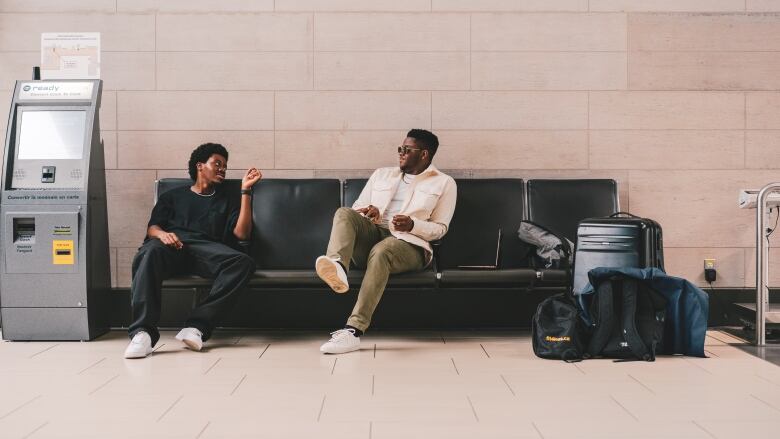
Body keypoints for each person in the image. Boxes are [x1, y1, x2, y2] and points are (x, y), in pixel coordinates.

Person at [315, 129, 457, 354]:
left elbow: (440, 229)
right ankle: (338, 266)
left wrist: (413, 225)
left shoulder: (444, 183)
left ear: (424, 155)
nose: (400, 153)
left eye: (407, 150)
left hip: (411, 245)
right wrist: (370, 213)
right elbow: (356, 210)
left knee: (383, 250)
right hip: (375, 234)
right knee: (344, 212)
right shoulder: (381, 174)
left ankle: (353, 330)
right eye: (400, 148)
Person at [123, 143, 262, 359]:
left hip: (207, 252)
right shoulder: (173, 196)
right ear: (200, 166)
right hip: (171, 246)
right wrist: (162, 235)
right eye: (217, 163)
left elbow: (242, 234)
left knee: (243, 262)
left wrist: (245, 191)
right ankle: (142, 333)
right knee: (148, 253)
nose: (222, 169)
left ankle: (196, 326)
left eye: (225, 166)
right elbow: (153, 227)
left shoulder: (227, 198)